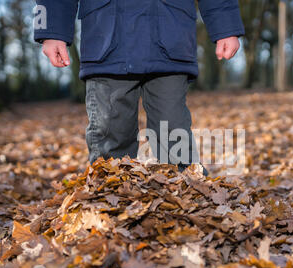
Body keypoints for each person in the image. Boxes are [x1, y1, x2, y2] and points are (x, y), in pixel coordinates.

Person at [34, 0, 245, 176]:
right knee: (110, 131)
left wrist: (226, 27)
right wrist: (53, 31)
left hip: (170, 37)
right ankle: (108, 197)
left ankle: (187, 194)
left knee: (173, 129)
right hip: (107, 38)